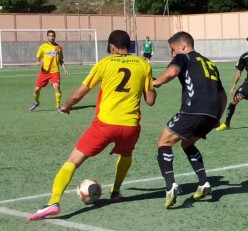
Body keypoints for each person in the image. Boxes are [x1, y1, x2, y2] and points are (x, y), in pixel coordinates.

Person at [27, 30, 157, 220]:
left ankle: (53, 202)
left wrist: (66, 106)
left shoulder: (104, 63)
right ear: (129, 45)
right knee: (126, 154)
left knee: (73, 161)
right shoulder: (143, 64)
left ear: (111, 46)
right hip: (130, 126)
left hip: (105, 124)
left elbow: (80, 93)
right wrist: (153, 87)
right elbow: (151, 100)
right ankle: (116, 192)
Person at [152, 31, 227, 209]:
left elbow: (172, 71)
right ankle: (204, 182)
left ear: (183, 46)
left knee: (164, 142)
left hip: (193, 110)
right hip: (212, 113)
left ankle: (170, 186)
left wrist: (156, 83)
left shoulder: (184, 56)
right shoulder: (209, 63)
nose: (173, 54)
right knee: (187, 144)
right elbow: (222, 94)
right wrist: (218, 117)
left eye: (173, 49)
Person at [29, 30, 68, 113]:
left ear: (55, 36)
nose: (51, 37)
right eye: (50, 36)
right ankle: (36, 102)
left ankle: (58, 106)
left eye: (53, 36)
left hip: (55, 71)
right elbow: (38, 56)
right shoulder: (43, 47)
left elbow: (61, 60)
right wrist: (38, 62)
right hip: (44, 72)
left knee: (57, 87)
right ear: (47, 37)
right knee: (36, 90)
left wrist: (64, 69)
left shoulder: (59, 47)